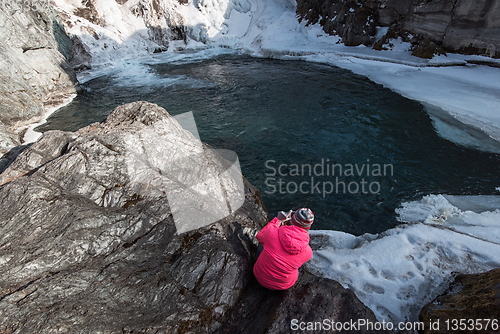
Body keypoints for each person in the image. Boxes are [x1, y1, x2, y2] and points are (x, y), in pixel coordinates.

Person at [253, 208, 314, 290]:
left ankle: (257, 259)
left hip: (259, 275)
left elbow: (260, 235)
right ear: (308, 227)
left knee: (264, 239)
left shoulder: (272, 233)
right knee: (299, 260)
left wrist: (278, 220)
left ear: (291, 219)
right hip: (284, 286)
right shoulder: (308, 252)